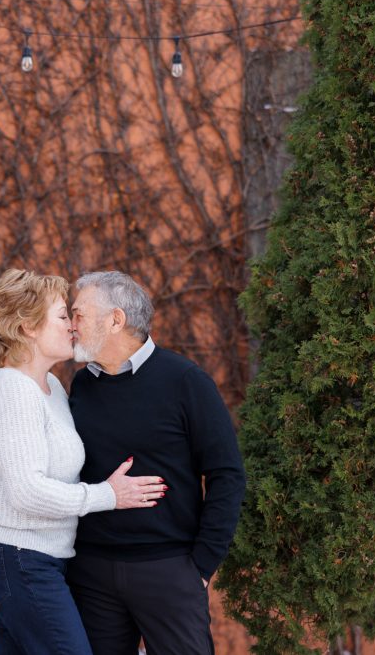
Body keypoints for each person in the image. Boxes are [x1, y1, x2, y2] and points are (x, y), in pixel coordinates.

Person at [0, 268, 168, 655]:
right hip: (17, 558)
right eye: (63, 316)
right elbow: (27, 492)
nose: (72, 327)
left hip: (45, 558)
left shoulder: (54, 389)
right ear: (28, 326)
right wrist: (108, 496)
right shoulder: (11, 390)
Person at [66, 271, 246, 655]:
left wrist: (200, 567)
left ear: (116, 319)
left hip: (168, 569)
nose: (71, 324)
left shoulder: (186, 381)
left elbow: (226, 474)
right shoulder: (81, 384)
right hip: (92, 571)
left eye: (78, 314)